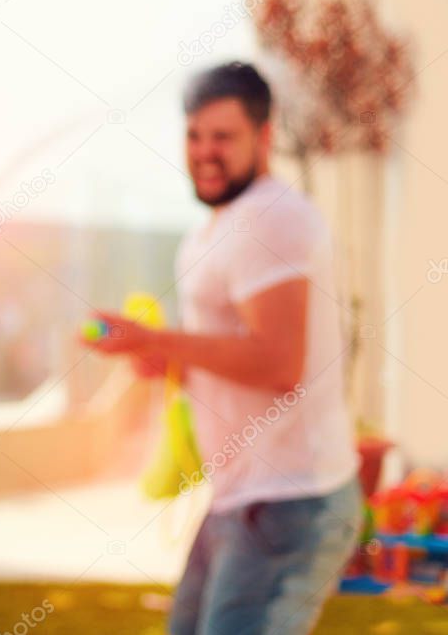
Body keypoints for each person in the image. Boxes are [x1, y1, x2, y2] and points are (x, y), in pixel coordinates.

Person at [86, 62, 362, 634]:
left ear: (264, 136)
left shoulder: (272, 218)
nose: (205, 151)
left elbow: (279, 363)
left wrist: (157, 338)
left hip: (290, 503)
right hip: (240, 498)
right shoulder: (210, 233)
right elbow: (231, 359)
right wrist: (165, 360)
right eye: (195, 135)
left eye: (224, 137)